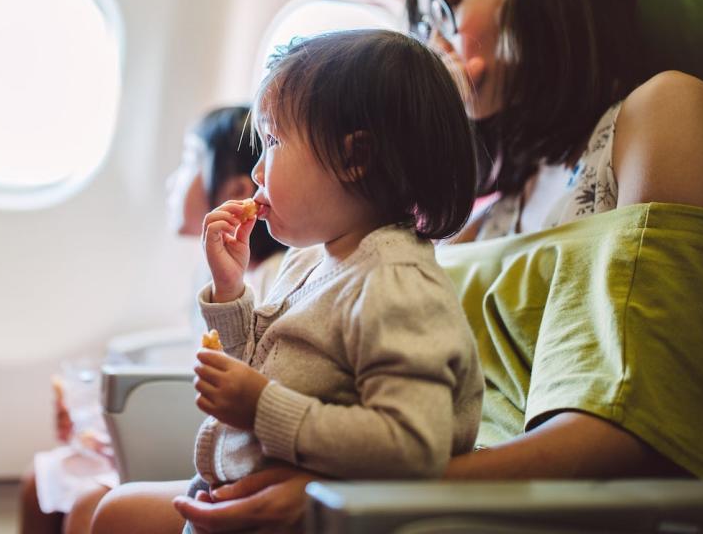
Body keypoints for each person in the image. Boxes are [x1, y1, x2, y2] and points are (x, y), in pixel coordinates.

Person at [98, 0, 703, 534]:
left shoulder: (661, 114)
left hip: (498, 497)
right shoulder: (496, 203)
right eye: (420, 22)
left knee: (118, 517)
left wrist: (345, 491)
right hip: (400, 468)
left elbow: (633, 418)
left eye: (445, 6)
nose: (430, 41)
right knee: (105, 509)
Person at [91, 29, 486, 534]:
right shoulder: (311, 261)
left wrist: (260, 406)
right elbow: (264, 359)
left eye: (273, 141)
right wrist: (232, 291)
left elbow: (412, 446)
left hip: (324, 521)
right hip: (249, 500)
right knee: (109, 514)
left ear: (354, 159)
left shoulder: (396, 286)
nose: (256, 171)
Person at [19, 105, 288, 534]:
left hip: (219, 445)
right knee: (38, 482)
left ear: (236, 188)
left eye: (188, 160)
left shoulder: (270, 281)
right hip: (191, 431)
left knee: (91, 504)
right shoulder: (216, 273)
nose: (172, 179)